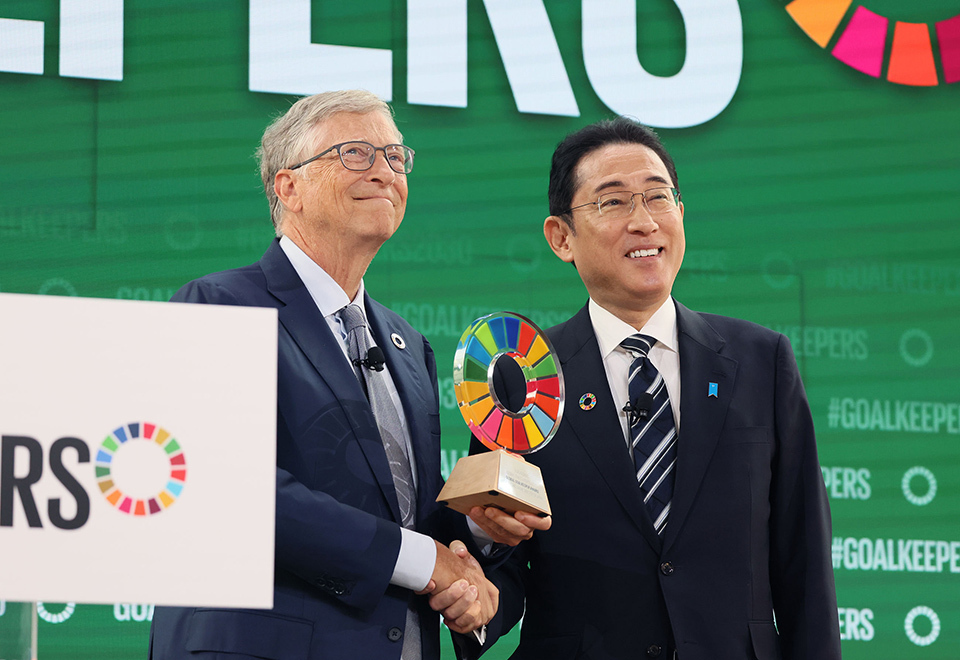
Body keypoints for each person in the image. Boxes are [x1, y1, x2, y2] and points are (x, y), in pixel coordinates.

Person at [464, 117, 841, 660]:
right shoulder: (522, 371)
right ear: (561, 237)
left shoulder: (761, 361)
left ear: (681, 214)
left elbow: (804, 563)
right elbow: (498, 558)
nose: (643, 222)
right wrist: (476, 579)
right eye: (612, 202)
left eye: (658, 197)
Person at [149, 90, 498, 660]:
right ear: (288, 187)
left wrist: (473, 537)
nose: (384, 171)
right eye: (357, 153)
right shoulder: (220, 304)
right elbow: (224, 485)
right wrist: (419, 561)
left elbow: (403, 515)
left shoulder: (410, 345)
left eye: (395, 155)